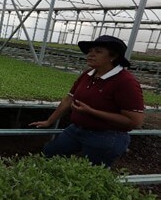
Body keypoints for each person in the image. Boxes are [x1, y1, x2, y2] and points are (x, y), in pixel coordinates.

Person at [29, 35, 144, 167]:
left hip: (107, 136)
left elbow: (135, 121)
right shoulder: (88, 74)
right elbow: (69, 99)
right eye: (90, 51)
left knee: (91, 171)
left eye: (98, 52)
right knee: (49, 153)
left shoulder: (125, 82)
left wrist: (91, 111)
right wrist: (50, 121)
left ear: (113, 56)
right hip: (77, 130)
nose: (91, 54)